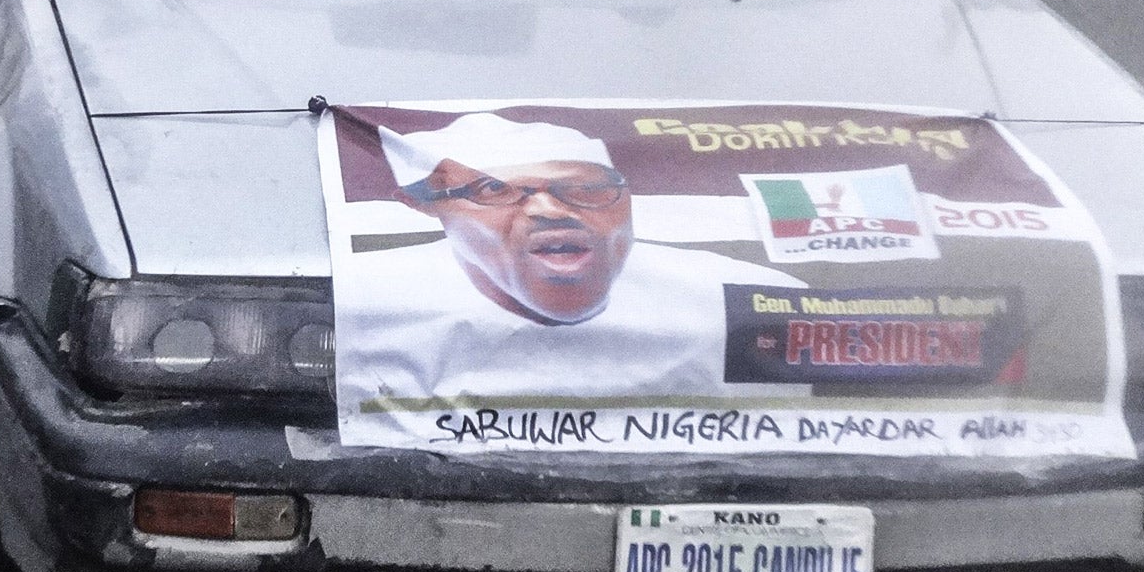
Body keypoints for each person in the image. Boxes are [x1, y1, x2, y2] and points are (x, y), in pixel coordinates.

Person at [338, 113, 803, 403]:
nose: (548, 209)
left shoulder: (745, 296)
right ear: (431, 208)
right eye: (496, 190)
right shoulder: (362, 299)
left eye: (586, 189)